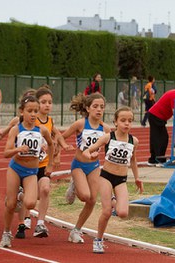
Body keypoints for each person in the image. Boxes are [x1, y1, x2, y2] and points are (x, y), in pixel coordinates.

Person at [82, 106, 144, 253]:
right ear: (115, 122)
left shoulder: (133, 141)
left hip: (121, 179)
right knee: (106, 212)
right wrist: (90, 156)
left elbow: (133, 160)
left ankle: (114, 199)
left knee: (123, 213)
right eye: (123, 120)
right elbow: (87, 151)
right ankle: (98, 239)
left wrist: (137, 178)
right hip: (106, 177)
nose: (126, 124)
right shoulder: (108, 137)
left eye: (129, 121)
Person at [15, 87, 72, 239]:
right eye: (43, 102)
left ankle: (40, 223)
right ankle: (21, 201)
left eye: (50, 102)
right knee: (30, 198)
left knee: (45, 189)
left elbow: (56, 134)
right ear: (37, 103)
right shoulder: (30, 120)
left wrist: (61, 148)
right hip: (28, 165)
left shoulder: (50, 121)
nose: (47, 105)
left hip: (43, 164)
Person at [0, 95, 54, 248]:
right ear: (22, 112)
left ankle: (19, 195)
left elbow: (51, 144)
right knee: (10, 205)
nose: (33, 114)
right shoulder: (16, 129)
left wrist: (49, 164)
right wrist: (18, 149)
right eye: (30, 111)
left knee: (30, 203)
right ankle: (6, 233)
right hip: (16, 169)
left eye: (36, 111)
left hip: (32, 171)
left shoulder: (42, 130)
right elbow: (6, 152)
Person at [62, 93, 111, 244]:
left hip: (94, 166)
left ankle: (76, 230)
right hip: (78, 165)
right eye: (95, 106)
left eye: (102, 107)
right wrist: (61, 147)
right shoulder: (80, 124)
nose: (99, 110)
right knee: (84, 196)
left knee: (91, 200)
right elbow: (62, 136)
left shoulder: (106, 128)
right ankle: (75, 184)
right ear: (88, 108)